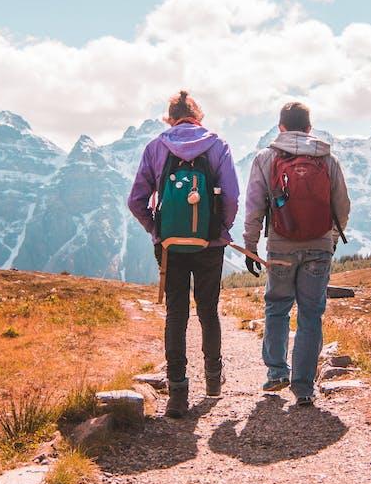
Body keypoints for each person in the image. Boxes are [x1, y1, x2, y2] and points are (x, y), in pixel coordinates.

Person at [127, 91, 239, 418]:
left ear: (170, 118)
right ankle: (213, 382)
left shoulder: (155, 147)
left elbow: (136, 201)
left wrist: (156, 230)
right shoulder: (218, 146)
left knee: (176, 313)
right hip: (210, 246)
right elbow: (230, 196)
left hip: (170, 245)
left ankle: (177, 394)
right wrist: (219, 229)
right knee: (208, 310)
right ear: (198, 116)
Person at [242, 100, 351, 406]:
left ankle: (277, 372)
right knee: (311, 313)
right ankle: (303, 387)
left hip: (280, 246)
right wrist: (328, 240)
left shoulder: (266, 157)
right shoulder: (328, 159)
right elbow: (342, 206)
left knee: (277, 307)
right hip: (318, 247)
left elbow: (255, 207)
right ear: (308, 128)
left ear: (280, 128)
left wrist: (250, 246)